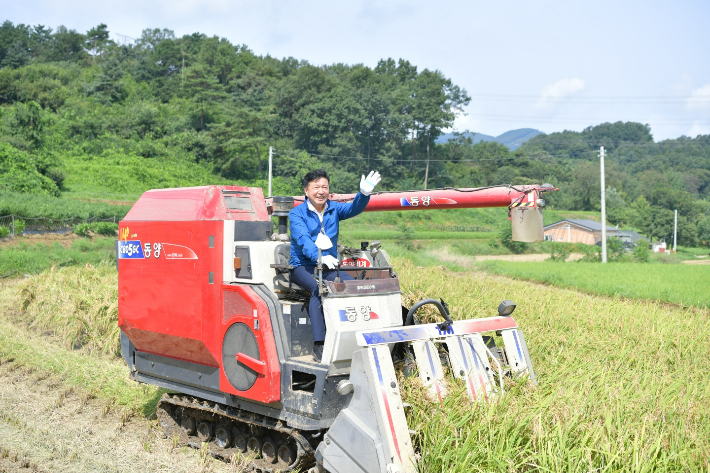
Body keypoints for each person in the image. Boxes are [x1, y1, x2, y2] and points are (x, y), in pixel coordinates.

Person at [289, 168, 381, 363]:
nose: (321, 191)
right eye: (316, 187)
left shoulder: (334, 208)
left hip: (329, 264)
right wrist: (318, 257)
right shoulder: (296, 214)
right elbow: (303, 239)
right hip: (302, 265)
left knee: (351, 287)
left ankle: (355, 335)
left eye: (325, 187)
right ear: (306, 191)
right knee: (319, 289)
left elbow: (354, 208)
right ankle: (319, 344)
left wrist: (363, 195)